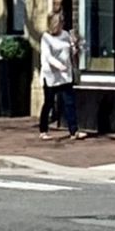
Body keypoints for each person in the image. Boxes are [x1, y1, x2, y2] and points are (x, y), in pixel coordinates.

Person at [39, 12, 81, 140]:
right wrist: (58, 66)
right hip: (51, 75)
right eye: (60, 22)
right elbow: (48, 56)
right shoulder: (46, 38)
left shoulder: (66, 35)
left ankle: (74, 131)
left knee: (69, 102)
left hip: (65, 76)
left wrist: (75, 45)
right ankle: (43, 130)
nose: (62, 25)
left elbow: (71, 51)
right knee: (49, 103)